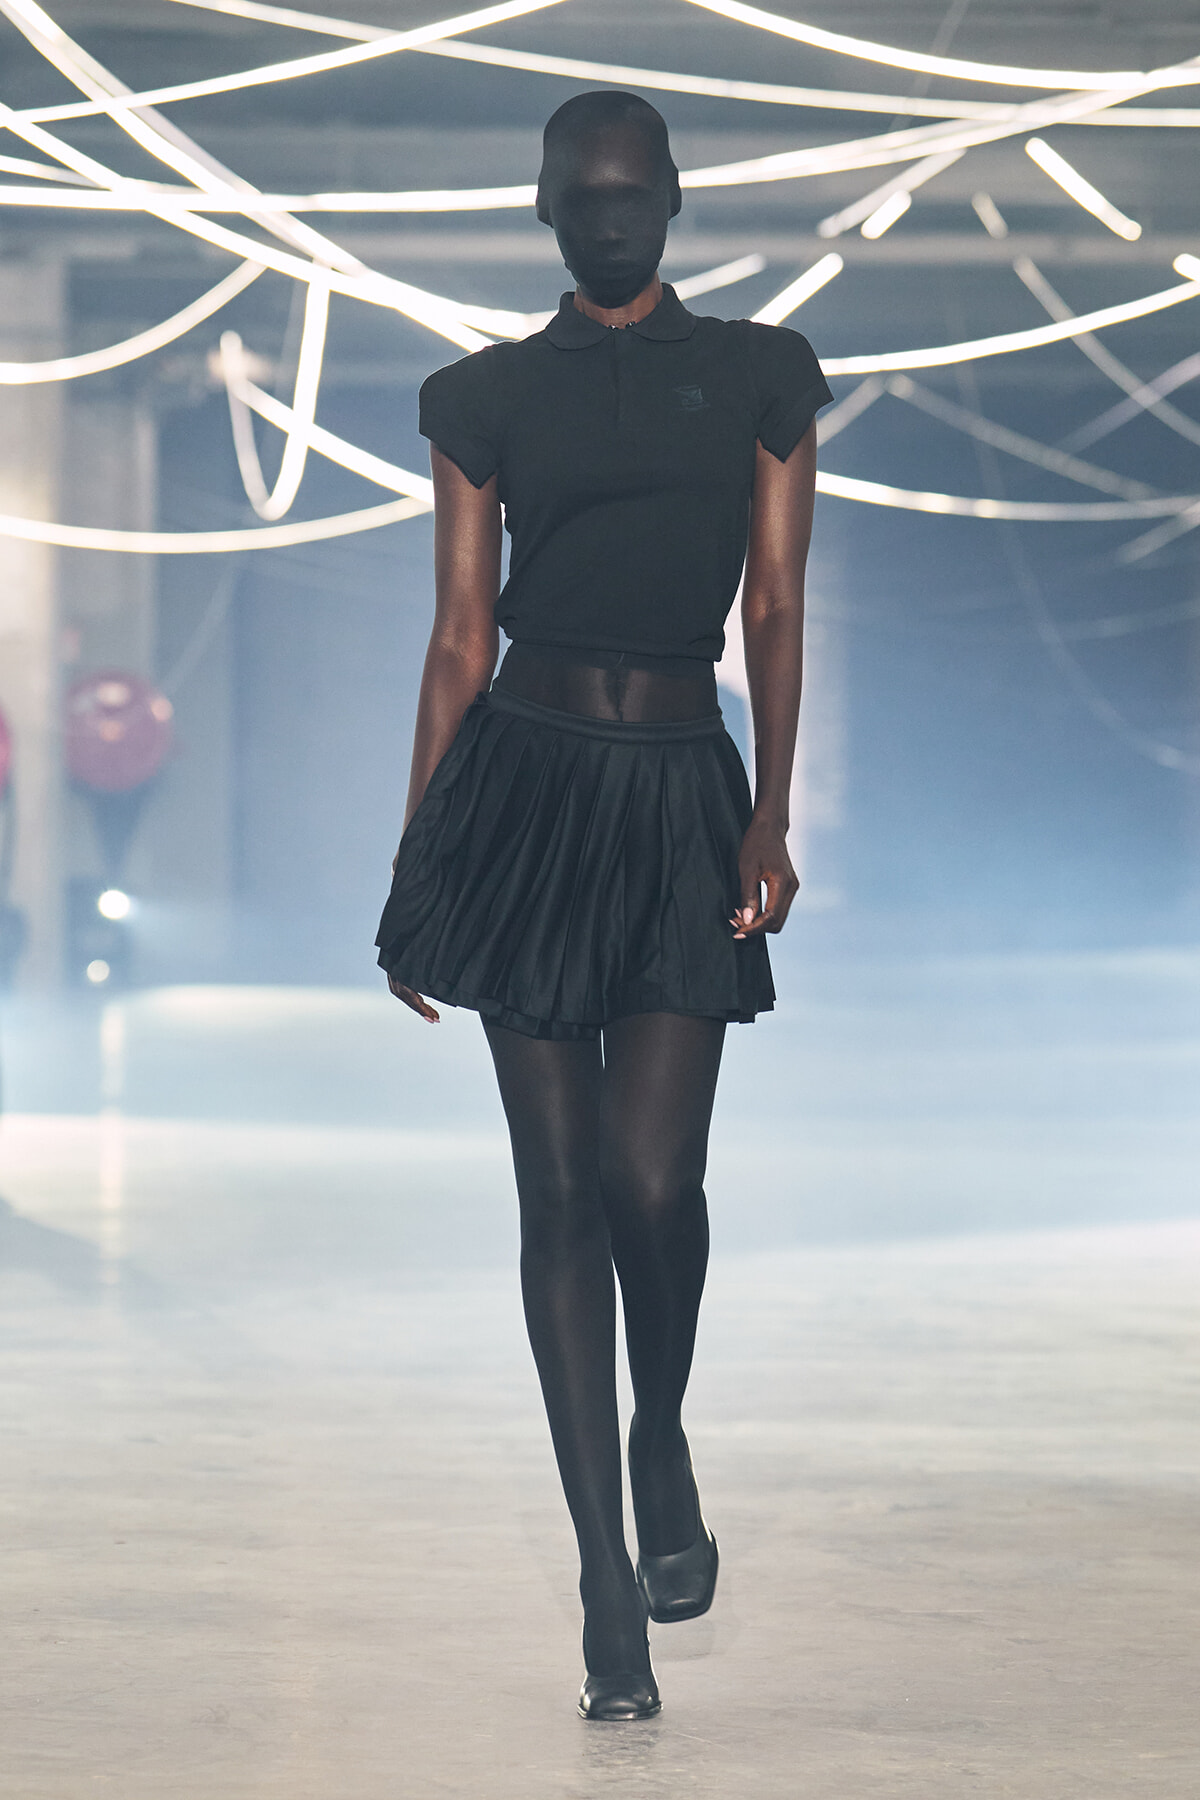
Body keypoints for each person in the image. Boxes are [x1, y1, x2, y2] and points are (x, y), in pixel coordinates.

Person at [377, 89, 831, 1722]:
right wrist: (420, 860)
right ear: (550, 204)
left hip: (676, 799)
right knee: (560, 1194)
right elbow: (456, 638)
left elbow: (774, 600)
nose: (615, 215)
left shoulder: (760, 375)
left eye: (637, 191)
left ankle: (662, 1433)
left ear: (676, 201)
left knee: (654, 1181)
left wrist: (770, 808)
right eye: (589, 191)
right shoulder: (483, 397)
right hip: (525, 787)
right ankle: (600, 1588)